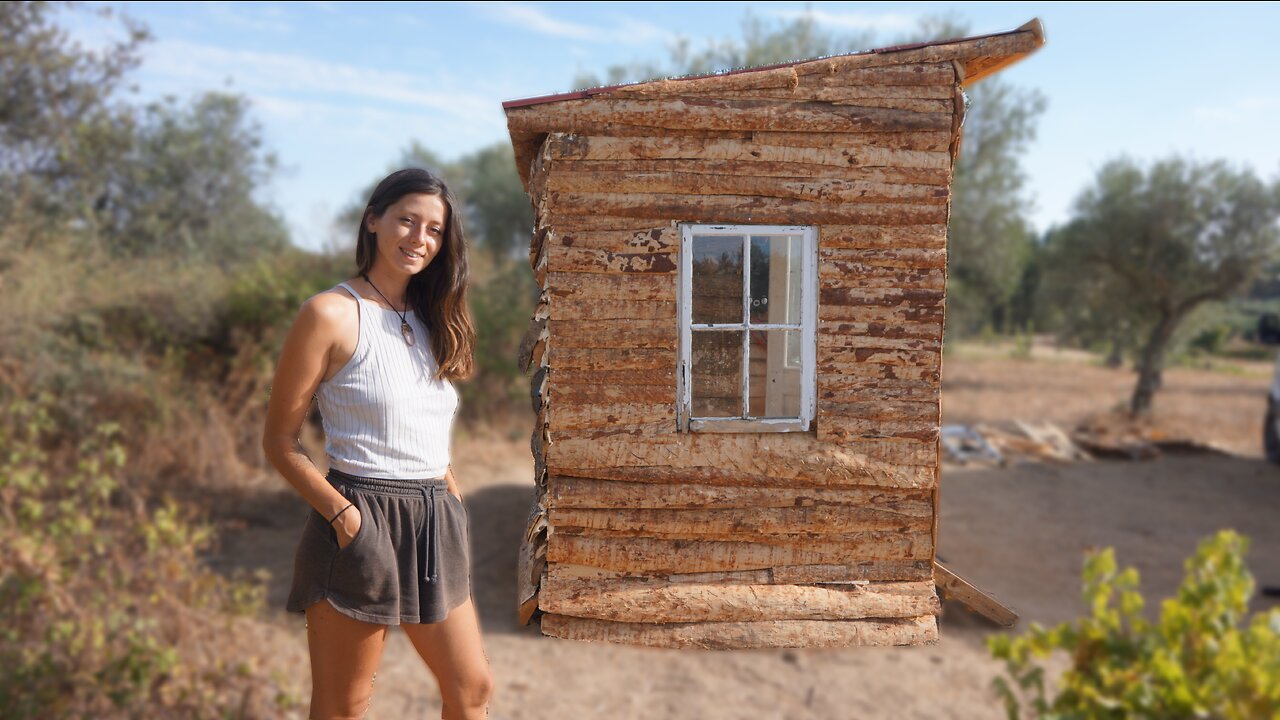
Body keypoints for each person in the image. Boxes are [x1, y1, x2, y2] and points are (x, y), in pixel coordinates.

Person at [262, 168, 493, 720]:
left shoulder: (436, 318)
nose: (419, 238)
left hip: (434, 518)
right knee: (346, 706)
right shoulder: (330, 313)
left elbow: (426, 431)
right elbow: (279, 440)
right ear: (373, 221)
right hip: (360, 514)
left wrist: (452, 498)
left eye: (434, 230)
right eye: (406, 221)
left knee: (471, 689)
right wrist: (346, 519)